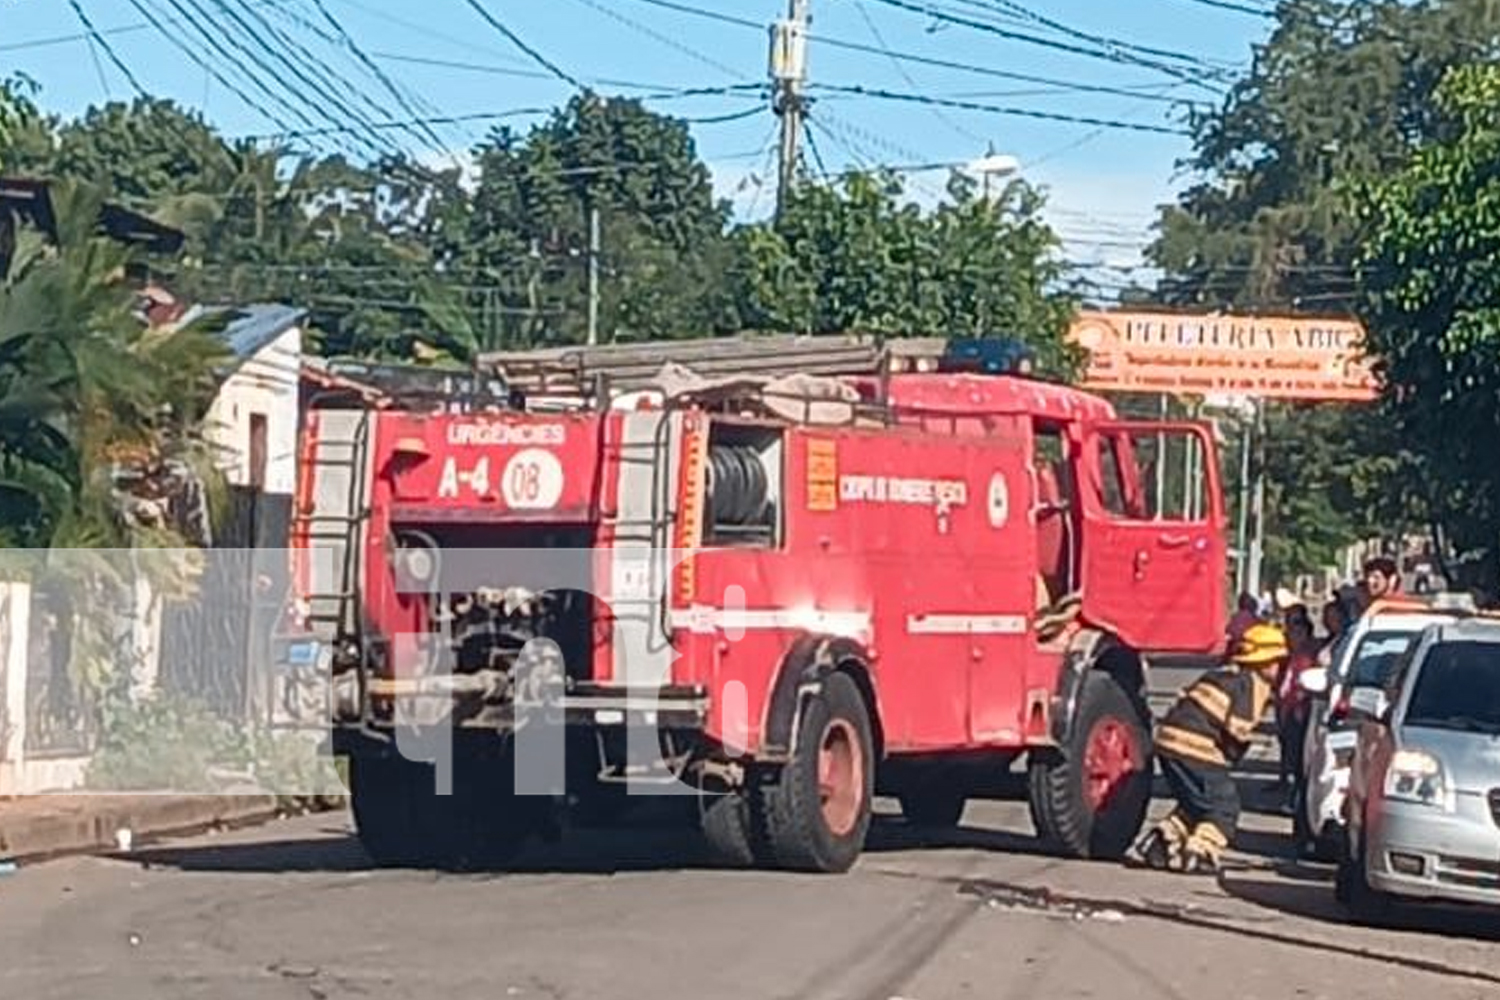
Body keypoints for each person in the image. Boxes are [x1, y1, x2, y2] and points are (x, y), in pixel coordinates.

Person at [1134, 623, 1290, 875]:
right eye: (1277, 662)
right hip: (1195, 746)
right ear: (1265, 663)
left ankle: (1161, 844)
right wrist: (1234, 755)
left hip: (1167, 741)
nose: (1279, 668)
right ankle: (1201, 853)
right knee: (1223, 806)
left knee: (1197, 802)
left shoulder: (1223, 673)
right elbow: (1237, 729)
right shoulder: (1252, 685)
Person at [1274, 607, 1318, 795]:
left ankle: (1296, 791)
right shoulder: (1287, 655)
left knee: (1299, 753)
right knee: (1286, 744)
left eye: (1298, 632)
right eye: (1290, 632)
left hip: (1300, 710)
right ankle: (1285, 782)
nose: (1292, 637)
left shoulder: (1308, 656)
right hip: (1285, 707)